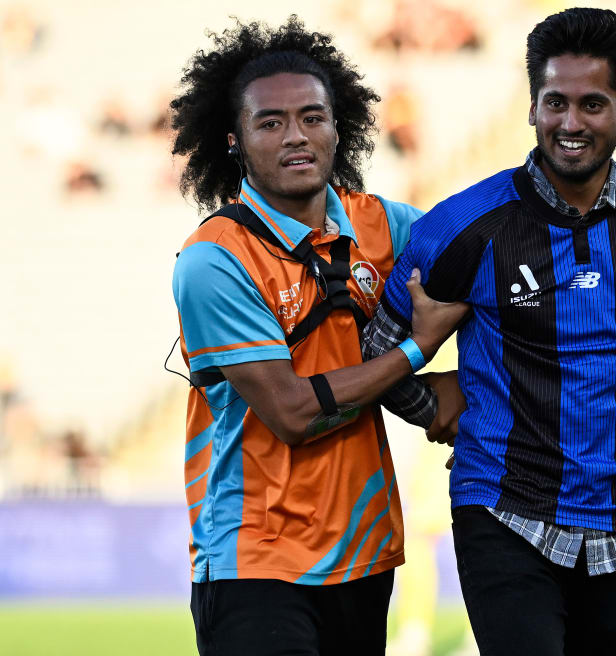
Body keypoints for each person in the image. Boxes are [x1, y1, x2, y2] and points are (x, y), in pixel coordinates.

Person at [361, 8, 616, 655]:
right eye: (555, 102)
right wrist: (429, 405)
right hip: (503, 509)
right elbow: (375, 348)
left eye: (592, 104)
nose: (571, 123)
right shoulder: (463, 226)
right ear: (531, 108)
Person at [169, 17, 466, 656]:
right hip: (258, 559)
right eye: (270, 122)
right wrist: (419, 351)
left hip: (365, 557)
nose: (296, 136)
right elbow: (294, 411)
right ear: (235, 142)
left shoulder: (384, 224)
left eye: (313, 116)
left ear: (340, 125)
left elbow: (491, 266)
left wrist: (481, 393)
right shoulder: (214, 260)